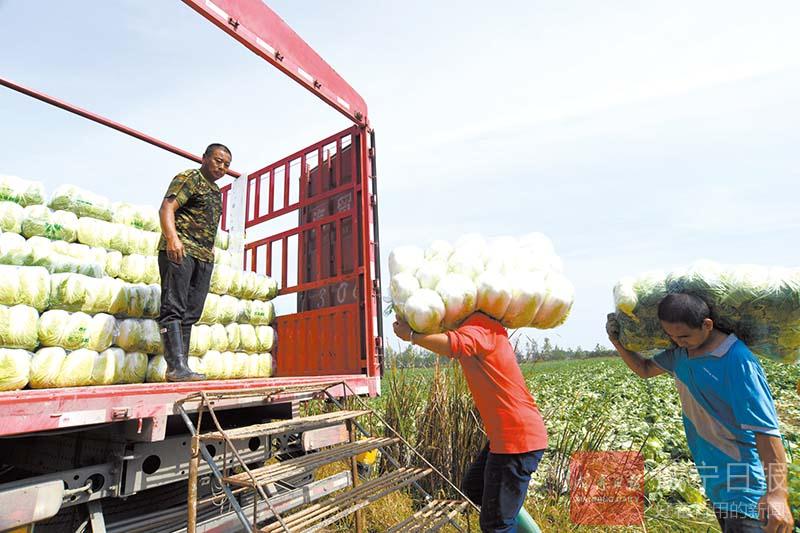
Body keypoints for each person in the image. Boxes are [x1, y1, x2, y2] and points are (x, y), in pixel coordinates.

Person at [606, 293, 794, 533]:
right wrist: (617, 341)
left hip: (746, 486)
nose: (678, 341)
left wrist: (777, 494)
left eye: (683, 335)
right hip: (714, 481)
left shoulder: (737, 360)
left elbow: (766, 431)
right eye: (671, 336)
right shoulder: (679, 356)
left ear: (707, 325)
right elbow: (644, 369)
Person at [393, 312, 547, 532]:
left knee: (496, 525)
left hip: (516, 439)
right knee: (475, 488)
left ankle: (508, 521)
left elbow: (452, 346)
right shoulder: (483, 327)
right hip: (507, 437)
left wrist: (411, 335)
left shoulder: (479, 325)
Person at [157, 143, 232, 382]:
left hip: (203, 257)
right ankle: (175, 366)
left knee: (191, 313)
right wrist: (172, 239)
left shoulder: (215, 191)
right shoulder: (191, 177)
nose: (222, 167)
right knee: (173, 308)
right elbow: (167, 207)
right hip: (181, 251)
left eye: (227, 165)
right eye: (218, 160)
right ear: (205, 158)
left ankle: (182, 367)